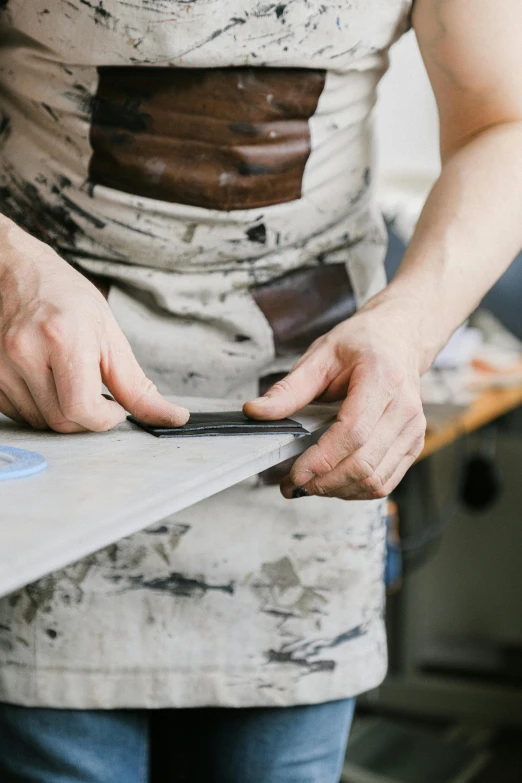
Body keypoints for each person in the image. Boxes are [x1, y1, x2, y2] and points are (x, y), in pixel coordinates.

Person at [0, 1, 521, 781]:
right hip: (42, 458)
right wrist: (11, 273)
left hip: (304, 467)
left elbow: (504, 124)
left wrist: (408, 328)